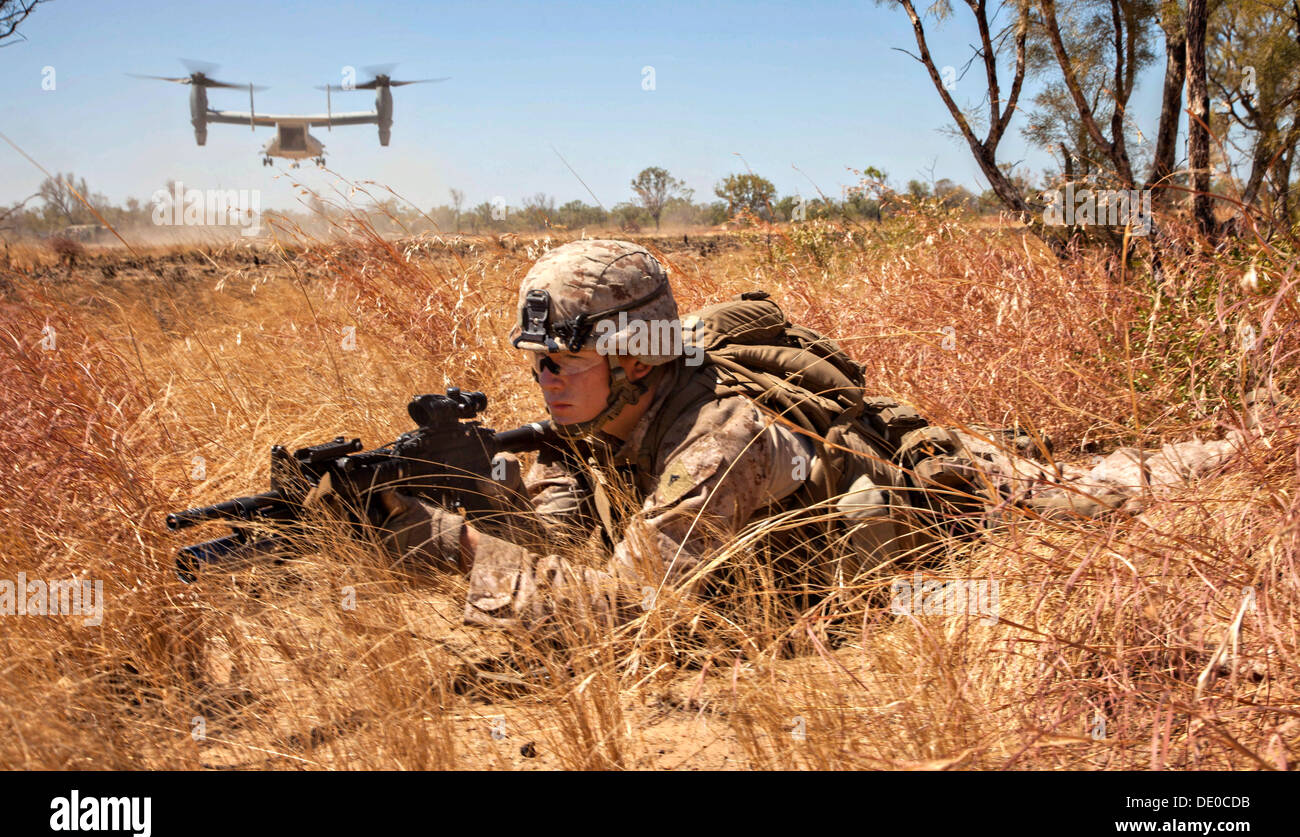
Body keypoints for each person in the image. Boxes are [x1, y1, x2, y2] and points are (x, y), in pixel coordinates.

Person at [374, 239, 1269, 638]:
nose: (547, 380)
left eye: (566, 359)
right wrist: (495, 500)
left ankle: (1243, 440)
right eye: (538, 363)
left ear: (634, 355)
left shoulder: (715, 441)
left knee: (1103, 487)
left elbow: (625, 612)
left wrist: (446, 545)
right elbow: (572, 538)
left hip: (948, 494)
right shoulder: (602, 419)